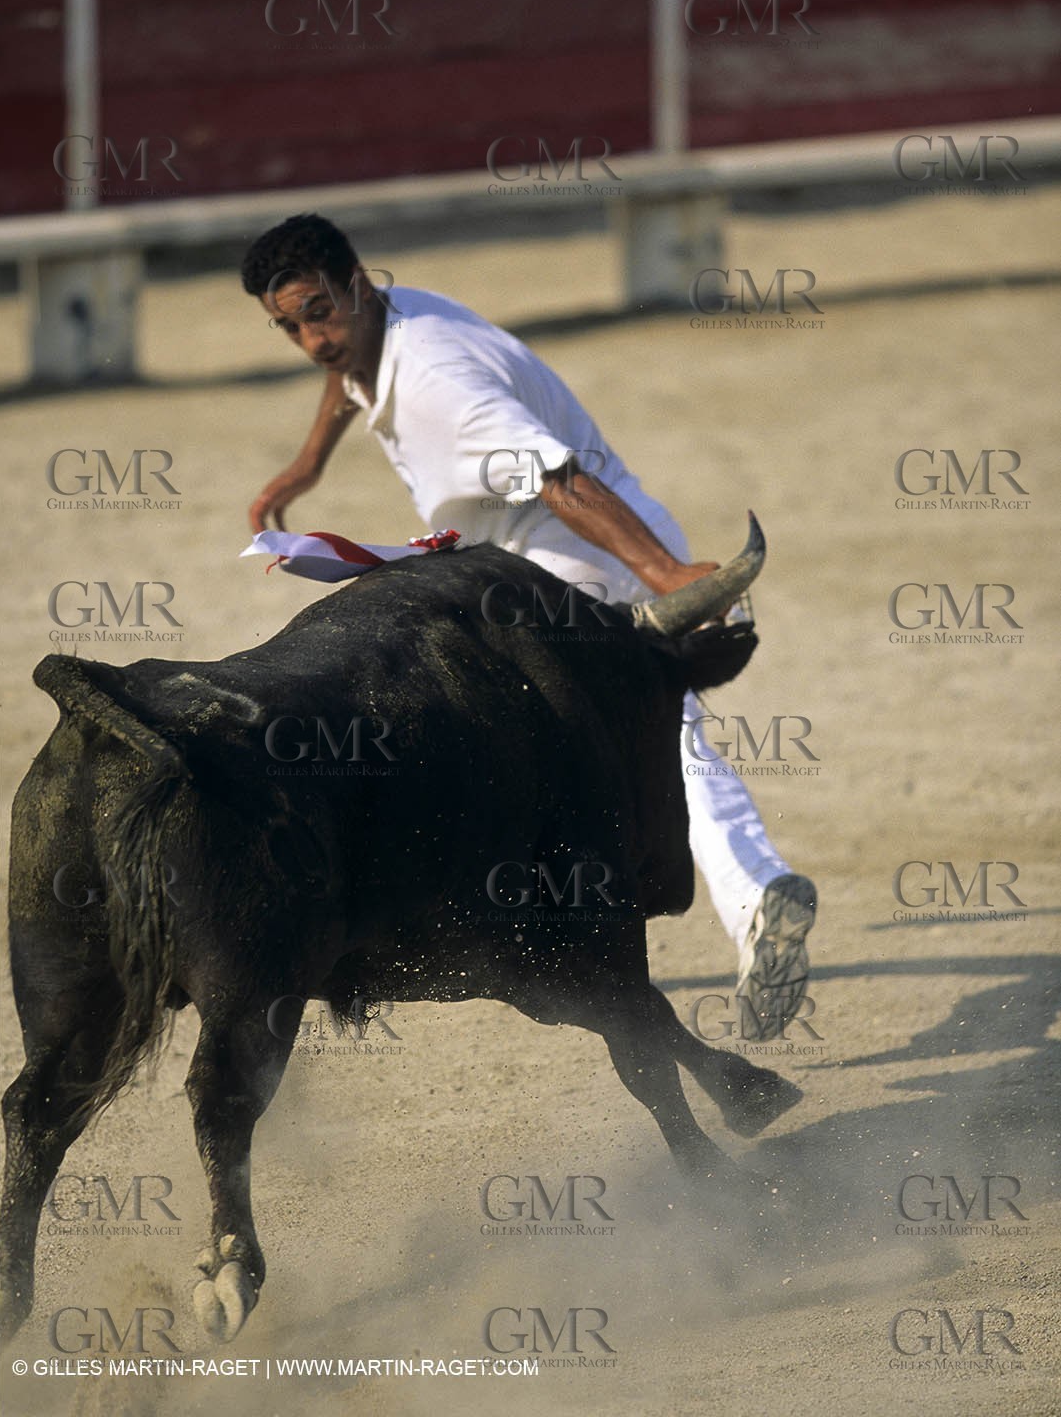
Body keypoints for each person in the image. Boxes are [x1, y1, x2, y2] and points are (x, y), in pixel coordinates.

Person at [241, 213, 816, 1038]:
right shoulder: (390, 317)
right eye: (287, 325)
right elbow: (346, 372)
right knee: (640, 731)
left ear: (359, 288)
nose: (309, 340)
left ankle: (750, 893)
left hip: (574, 554)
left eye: (317, 313)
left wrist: (662, 575)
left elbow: (555, 475)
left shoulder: (438, 380)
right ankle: (734, 894)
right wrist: (308, 464)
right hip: (517, 554)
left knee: (655, 731)